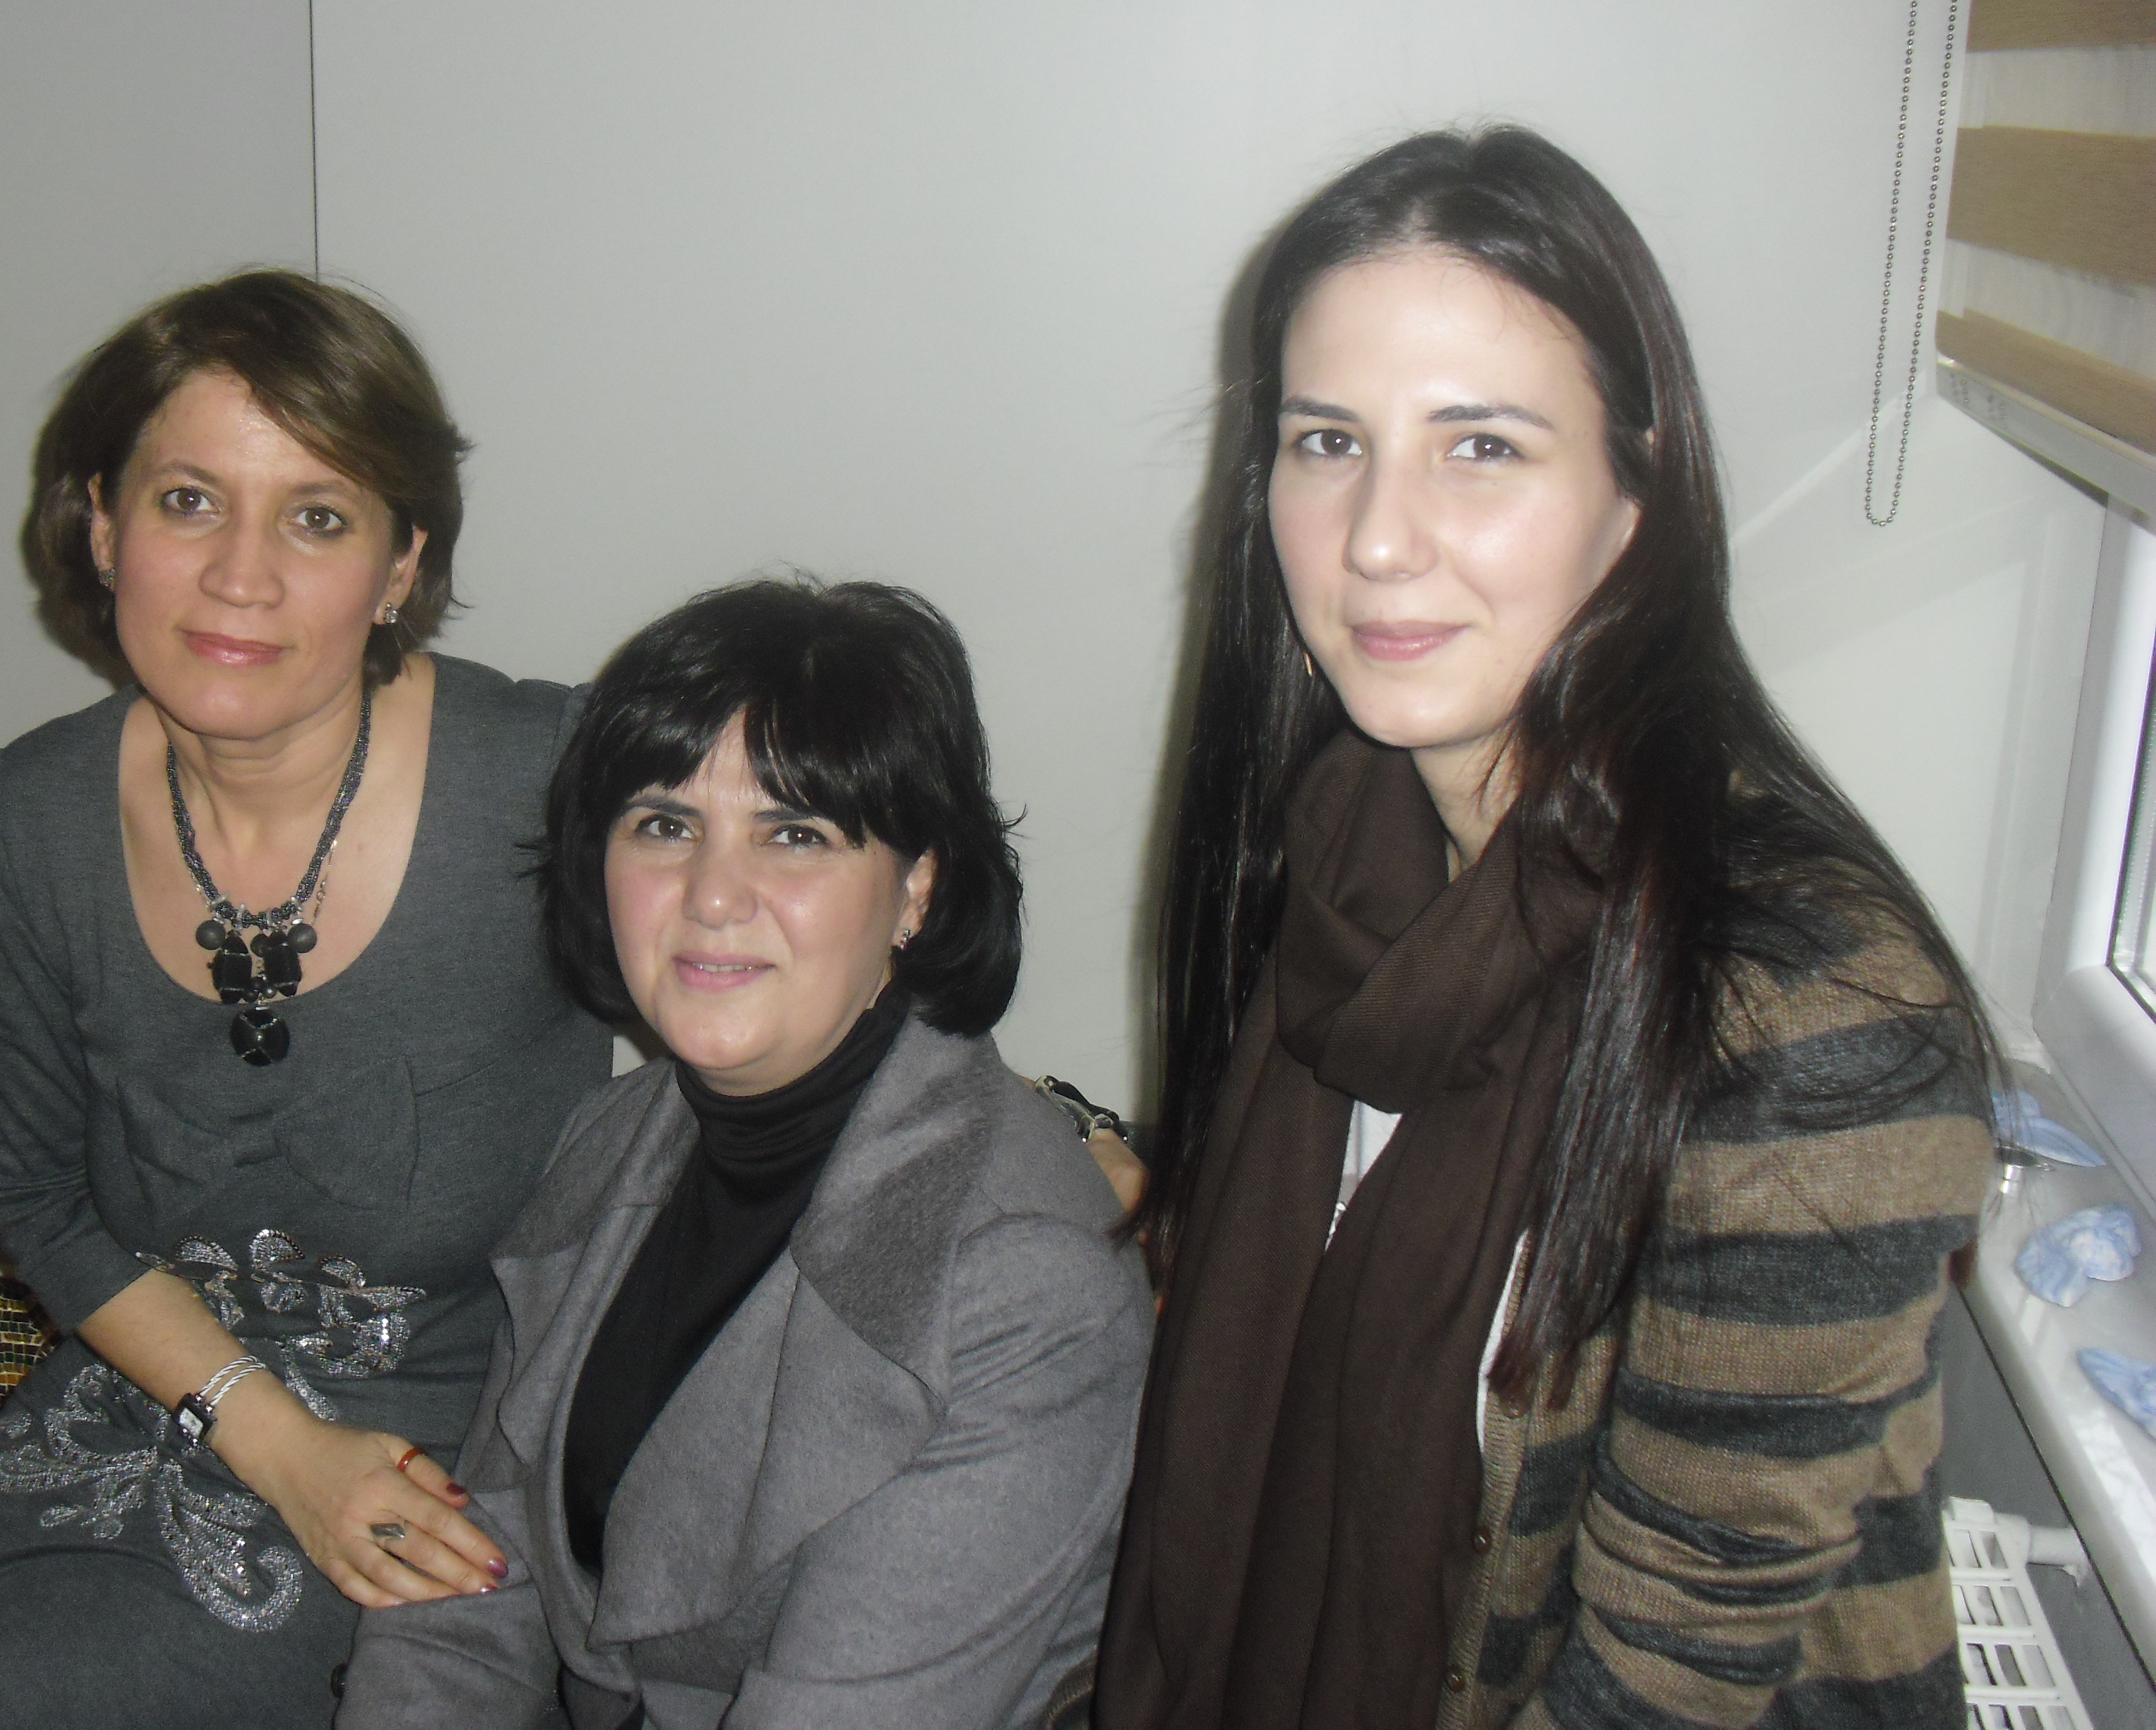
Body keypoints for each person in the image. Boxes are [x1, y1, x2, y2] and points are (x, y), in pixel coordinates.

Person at [1093, 129, 1995, 1729]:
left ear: (1633, 500)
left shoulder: (1807, 1023)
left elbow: (1657, 1690)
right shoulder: (1340, 854)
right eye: (1325, 441)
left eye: (1481, 448)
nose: (1377, 537)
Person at [0, 271, 612, 1730]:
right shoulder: (25, 815)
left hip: (436, 1445)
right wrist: (261, 1434)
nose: (239, 577)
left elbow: (789, 968)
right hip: (153, 1394)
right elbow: (37, 1203)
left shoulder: (548, 784)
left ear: (400, 565)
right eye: (190, 501)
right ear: (102, 526)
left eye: (316, 517)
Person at [338, 578, 1153, 1729]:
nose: (714, 896)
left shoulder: (1023, 1286)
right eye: (665, 825)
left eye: (795, 834)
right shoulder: (615, 1135)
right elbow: (473, 1590)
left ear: (917, 889)